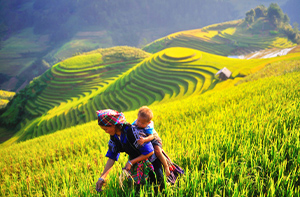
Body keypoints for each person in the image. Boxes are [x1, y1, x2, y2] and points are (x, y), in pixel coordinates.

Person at [95, 109, 165, 193]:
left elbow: (149, 151)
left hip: (151, 161)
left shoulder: (132, 132)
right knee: (138, 190)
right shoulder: (114, 137)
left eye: (105, 129)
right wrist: (102, 178)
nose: (106, 132)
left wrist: (131, 162)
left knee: (158, 187)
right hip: (136, 161)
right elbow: (111, 157)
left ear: (114, 125)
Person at [133, 106, 171, 177]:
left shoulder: (149, 126)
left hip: (154, 139)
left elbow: (151, 136)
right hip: (146, 139)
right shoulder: (137, 121)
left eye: (143, 123)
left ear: (148, 122)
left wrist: (144, 140)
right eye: (138, 121)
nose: (139, 124)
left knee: (158, 152)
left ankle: (166, 167)